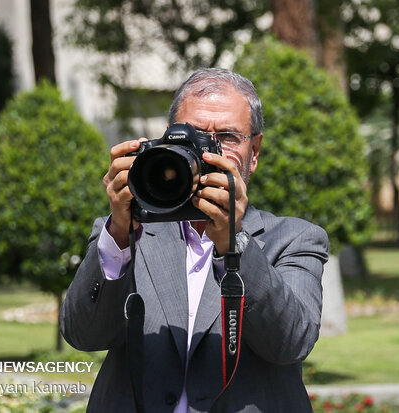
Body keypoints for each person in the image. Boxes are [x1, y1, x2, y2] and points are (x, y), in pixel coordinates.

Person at [60, 68, 329, 412]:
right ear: (168, 142)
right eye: (195, 136)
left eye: (229, 137)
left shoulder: (295, 239)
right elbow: (83, 335)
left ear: (255, 151)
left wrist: (233, 244)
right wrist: (119, 237)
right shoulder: (123, 233)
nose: (209, 152)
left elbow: (291, 343)